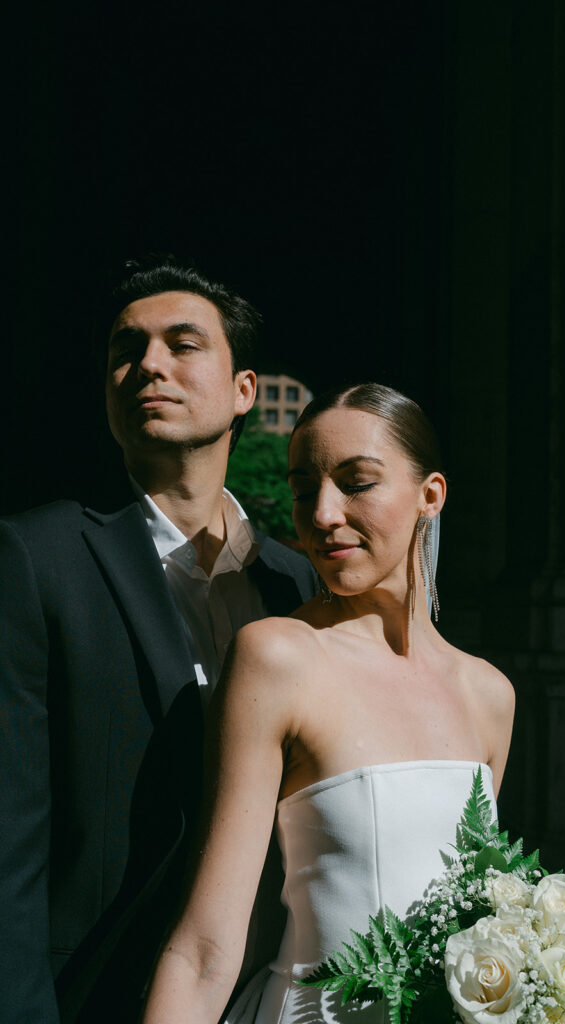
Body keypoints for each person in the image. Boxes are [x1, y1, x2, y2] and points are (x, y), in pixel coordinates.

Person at [0, 258, 316, 1023]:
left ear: (246, 391)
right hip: (92, 992)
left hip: (271, 992)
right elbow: (9, 835)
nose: (147, 365)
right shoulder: (35, 559)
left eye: (182, 344)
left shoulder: (298, 586)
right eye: (125, 348)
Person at [142, 382, 515, 1024]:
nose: (321, 514)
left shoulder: (488, 694)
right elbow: (207, 946)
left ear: (431, 495)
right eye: (302, 487)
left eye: (356, 482)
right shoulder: (279, 657)